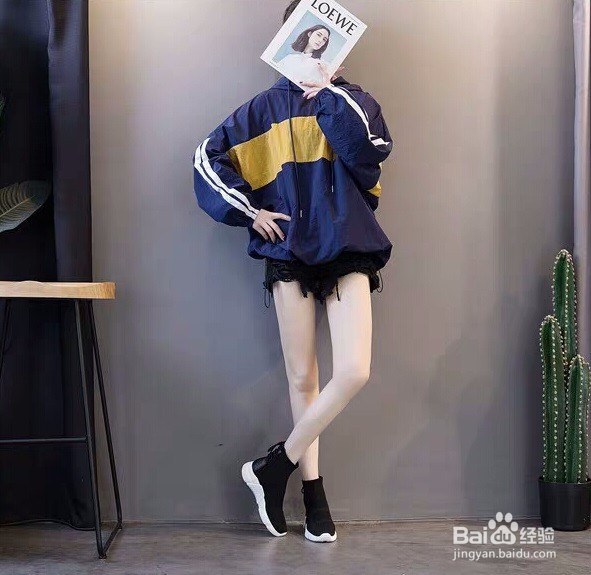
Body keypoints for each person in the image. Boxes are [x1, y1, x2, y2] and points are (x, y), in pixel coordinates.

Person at [192, 0, 393, 543]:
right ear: (290, 39)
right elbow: (206, 159)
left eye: (330, 37)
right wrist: (249, 212)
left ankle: (273, 465)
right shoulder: (262, 109)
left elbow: (369, 153)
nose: (320, 44)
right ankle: (313, 494)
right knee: (302, 378)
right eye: (310, 35)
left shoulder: (353, 101)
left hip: (347, 243)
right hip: (289, 251)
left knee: (354, 371)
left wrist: (328, 92)